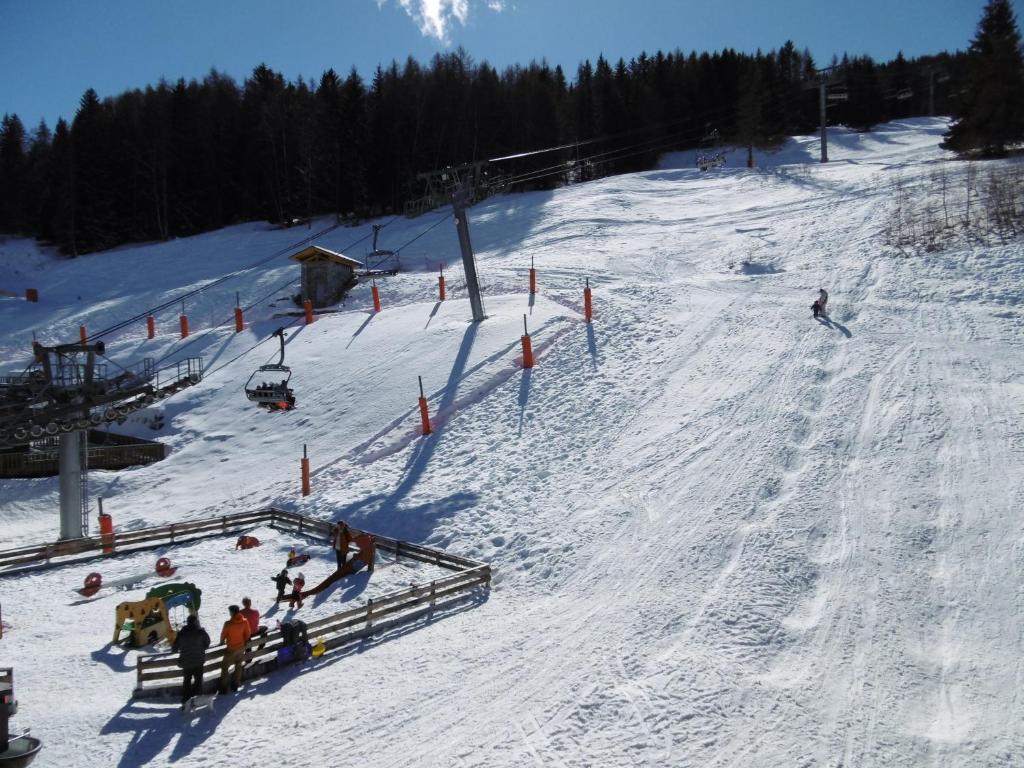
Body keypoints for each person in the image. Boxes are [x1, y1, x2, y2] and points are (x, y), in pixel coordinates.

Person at [171, 614, 210, 706]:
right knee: (198, 679)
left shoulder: (182, 633)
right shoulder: (201, 632)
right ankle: (197, 698)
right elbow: (207, 643)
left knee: (187, 680)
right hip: (199, 661)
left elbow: (174, 649)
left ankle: (186, 698)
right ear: (196, 622)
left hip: (186, 662)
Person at [219, 604, 251, 693]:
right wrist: (243, 641)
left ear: (232, 612)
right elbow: (248, 634)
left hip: (231, 649)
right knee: (238, 666)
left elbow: (223, 635)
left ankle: (223, 688)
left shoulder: (228, 624)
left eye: (229, 611)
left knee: (225, 668)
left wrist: (221, 642)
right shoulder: (244, 621)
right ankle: (236, 684)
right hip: (241, 648)